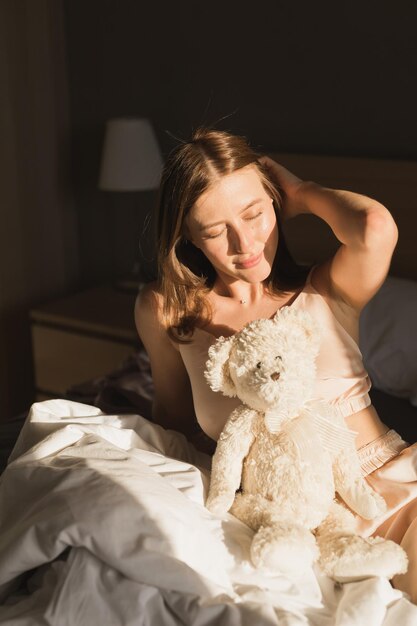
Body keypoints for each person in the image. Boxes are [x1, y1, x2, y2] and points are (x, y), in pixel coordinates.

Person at [135, 127, 417, 602]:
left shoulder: (327, 290)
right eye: (214, 230)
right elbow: (175, 422)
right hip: (275, 521)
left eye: (255, 213)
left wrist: (301, 192)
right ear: (187, 237)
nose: (244, 242)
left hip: (388, 496)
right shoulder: (166, 312)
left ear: (275, 201)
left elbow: (374, 227)